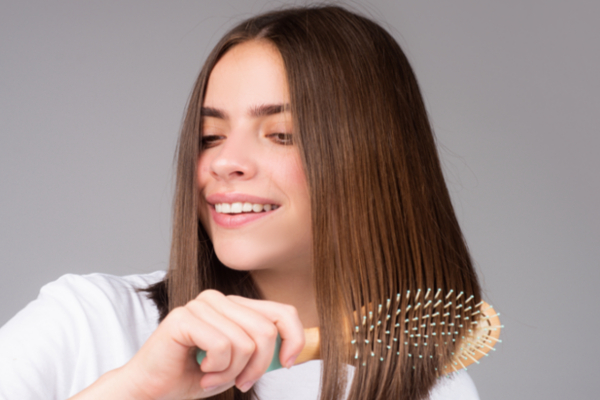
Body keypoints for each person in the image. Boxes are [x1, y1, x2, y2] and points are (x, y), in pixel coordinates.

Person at [0, 5, 483, 400]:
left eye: (281, 134)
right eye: (210, 136)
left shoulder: (439, 391)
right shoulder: (88, 321)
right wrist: (135, 391)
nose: (225, 162)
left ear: (374, 160)